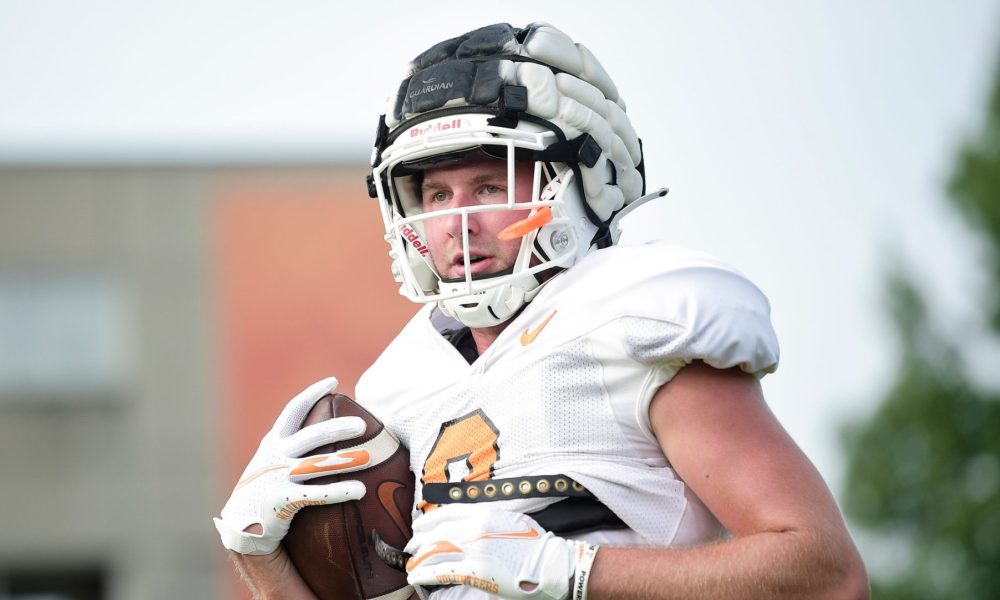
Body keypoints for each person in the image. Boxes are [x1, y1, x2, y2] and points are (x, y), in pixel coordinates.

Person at [214, 22, 870, 600]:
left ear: (581, 184)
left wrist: (568, 570)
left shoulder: (631, 318)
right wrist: (264, 563)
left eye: (489, 184)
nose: (457, 221)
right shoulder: (399, 388)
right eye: (436, 194)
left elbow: (827, 574)